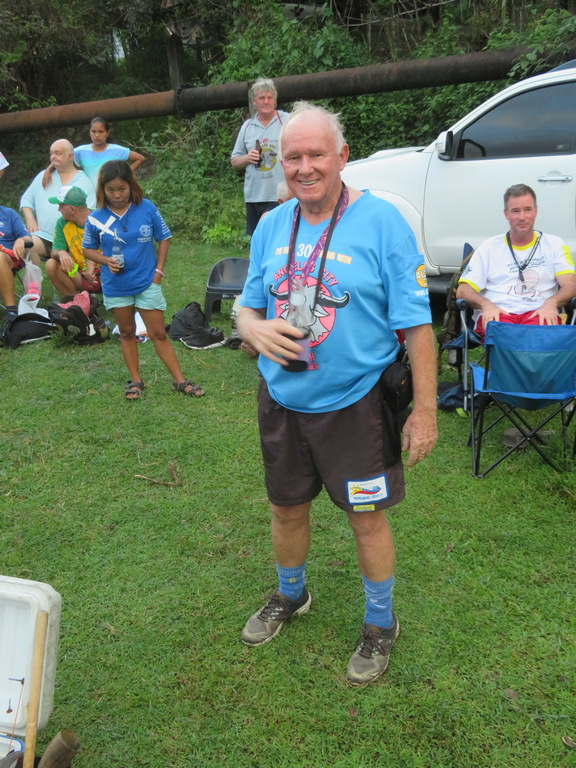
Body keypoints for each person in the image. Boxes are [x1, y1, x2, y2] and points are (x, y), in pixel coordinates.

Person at [237, 102, 438, 687]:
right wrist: (251, 328)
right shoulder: (272, 225)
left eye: (316, 154)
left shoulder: (382, 223)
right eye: (292, 156)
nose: (304, 167)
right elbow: (247, 306)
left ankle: (380, 622)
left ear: (342, 156)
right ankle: (290, 594)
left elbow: (417, 327)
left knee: (366, 519)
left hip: (356, 407)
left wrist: (425, 412)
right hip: (283, 399)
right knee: (285, 508)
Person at [82, 160, 204, 401]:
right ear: (102, 190)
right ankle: (136, 380)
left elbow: (164, 238)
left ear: (131, 185)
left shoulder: (146, 208)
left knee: (158, 333)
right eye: (110, 190)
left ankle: (179, 381)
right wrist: (105, 261)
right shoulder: (95, 217)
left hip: (147, 282)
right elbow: (87, 249)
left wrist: (158, 273)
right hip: (116, 286)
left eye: (121, 189)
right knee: (127, 332)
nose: (117, 195)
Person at [456, 183, 576, 337]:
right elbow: (463, 290)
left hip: (539, 314)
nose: (522, 217)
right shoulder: (489, 247)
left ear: (536, 211)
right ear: (506, 214)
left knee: (541, 331)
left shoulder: (554, 245)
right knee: (504, 333)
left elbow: (571, 285)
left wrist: (551, 303)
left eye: (528, 209)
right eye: (515, 211)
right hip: (500, 314)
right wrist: (486, 305)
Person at [20, 139, 96, 263]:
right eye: (51, 153)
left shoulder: (84, 182)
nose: (53, 156)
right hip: (44, 236)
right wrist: (31, 221)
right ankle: (35, 275)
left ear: (70, 156)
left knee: (56, 264)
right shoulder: (43, 176)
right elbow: (26, 199)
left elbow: (88, 214)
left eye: (58, 153)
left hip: (71, 240)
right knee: (27, 244)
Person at [231, 78, 289, 236]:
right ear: (254, 101)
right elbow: (234, 161)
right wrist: (247, 158)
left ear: (275, 100)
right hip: (254, 197)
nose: (266, 101)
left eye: (270, 97)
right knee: (257, 239)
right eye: (262, 98)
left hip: (280, 196)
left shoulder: (286, 121)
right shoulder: (247, 127)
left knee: (278, 238)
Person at [42, 117, 146, 190]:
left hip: (111, 197)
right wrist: (48, 170)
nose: (97, 135)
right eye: (94, 131)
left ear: (107, 133)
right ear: (90, 132)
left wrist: (124, 175)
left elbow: (140, 158)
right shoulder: (81, 151)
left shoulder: (116, 150)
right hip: (90, 196)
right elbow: (63, 158)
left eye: (101, 132)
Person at [45, 186, 101, 296]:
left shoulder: (100, 218)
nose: (58, 209)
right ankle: (75, 302)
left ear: (71, 209)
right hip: (79, 274)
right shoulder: (62, 222)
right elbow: (55, 251)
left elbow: (115, 246)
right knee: (51, 264)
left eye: (61, 206)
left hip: (107, 273)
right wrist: (61, 252)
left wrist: (92, 263)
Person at [0, 204, 30, 322]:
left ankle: (11, 311)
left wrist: (20, 240)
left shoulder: (8, 214)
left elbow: (28, 238)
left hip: (7, 257)